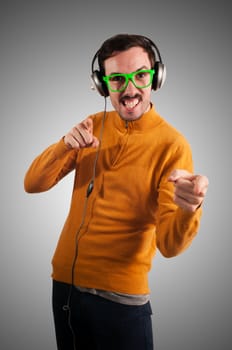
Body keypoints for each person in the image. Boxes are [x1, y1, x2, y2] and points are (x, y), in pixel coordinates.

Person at [24, 34, 209, 350]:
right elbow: (33, 184)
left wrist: (188, 209)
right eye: (117, 79)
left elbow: (169, 245)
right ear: (102, 84)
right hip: (65, 290)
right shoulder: (92, 125)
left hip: (121, 302)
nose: (130, 89)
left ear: (156, 77)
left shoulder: (172, 145)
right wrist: (63, 147)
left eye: (140, 75)